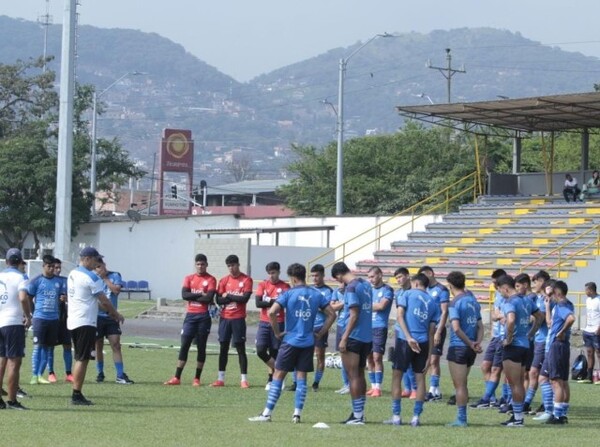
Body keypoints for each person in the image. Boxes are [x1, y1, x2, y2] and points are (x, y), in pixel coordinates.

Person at [248, 263, 336, 423]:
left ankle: (266, 413)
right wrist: (321, 333)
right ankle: (297, 414)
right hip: (308, 342)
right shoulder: (316, 294)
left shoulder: (289, 294)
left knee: (278, 375)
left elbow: (272, 312)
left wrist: (276, 333)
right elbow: (332, 314)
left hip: (290, 341)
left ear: (293, 278)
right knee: (301, 377)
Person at [67, 247, 124, 405]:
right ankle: (76, 394)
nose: (97, 263)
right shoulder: (91, 277)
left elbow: (91, 301)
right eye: (95, 259)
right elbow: (104, 300)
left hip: (73, 320)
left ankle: (77, 392)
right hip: (85, 321)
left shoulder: (72, 274)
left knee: (80, 357)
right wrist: (116, 314)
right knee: (82, 358)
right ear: (87, 259)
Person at [385, 273, 439, 427]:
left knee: (397, 376)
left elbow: (400, 317)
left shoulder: (406, 294)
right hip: (423, 343)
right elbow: (431, 331)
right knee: (420, 379)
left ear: (415, 283)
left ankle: (396, 416)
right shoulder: (433, 303)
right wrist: (429, 355)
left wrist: (408, 337)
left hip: (405, 340)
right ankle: (416, 417)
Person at [495, 275, 542, 427]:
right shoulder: (526, 299)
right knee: (520, 383)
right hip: (525, 345)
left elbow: (510, 319)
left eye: (500, 290)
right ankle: (517, 416)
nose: (500, 293)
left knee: (514, 384)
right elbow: (539, 316)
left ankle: (518, 419)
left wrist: (508, 338)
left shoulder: (510, 301)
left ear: (505, 288)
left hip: (513, 346)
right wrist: (530, 333)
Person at [165, 254, 217, 386]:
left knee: (201, 347)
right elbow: (184, 295)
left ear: (206, 265)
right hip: (190, 317)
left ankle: (197, 379)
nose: (200, 266)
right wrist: (200, 294)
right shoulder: (189, 278)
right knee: (185, 346)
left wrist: (194, 296)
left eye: (203, 264)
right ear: (195, 265)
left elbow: (209, 298)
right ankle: (177, 377)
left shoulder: (211, 279)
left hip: (203, 317)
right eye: (198, 264)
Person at [331, 261, 372, 425]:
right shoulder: (366, 285)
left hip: (354, 336)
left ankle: (357, 416)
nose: (338, 282)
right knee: (360, 374)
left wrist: (344, 337)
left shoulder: (352, 287)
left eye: (337, 279)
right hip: (366, 336)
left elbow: (354, 314)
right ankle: (359, 413)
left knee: (353, 375)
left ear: (339, 275)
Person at [446, 271, 484, 427]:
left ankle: (461, 419)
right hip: (470, 349)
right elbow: (480, 327)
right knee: (463, 383)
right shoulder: (473, 301)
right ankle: (461, 418)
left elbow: (456, 328)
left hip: (459, 347)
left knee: (460, 385)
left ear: (450, 285)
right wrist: (476, 343)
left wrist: (469, 343)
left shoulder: (455, 302)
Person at [212, 254, 253, 388]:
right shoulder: (224, 280)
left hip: (238, 319)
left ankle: (243, 380)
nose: (231, 268)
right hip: (225, 318)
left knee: (240, 349)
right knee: (223, 348)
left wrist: (228, 295)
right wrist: (233, 297)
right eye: (229, 266)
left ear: (238, 264)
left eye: (233, 265)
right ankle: (220, 379)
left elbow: (244, 299)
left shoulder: (246, 280)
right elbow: (218, 299)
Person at [0, 248, 32, 410]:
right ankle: (12, 400)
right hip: (13, 322)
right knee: (14, 362)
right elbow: (22, 297)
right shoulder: (21, 277)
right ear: (20, 262)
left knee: (1, 360)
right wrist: (28, 315)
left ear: (6, 261)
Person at [471, 268, 507, 409]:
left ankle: (495, 399)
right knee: (485, 366)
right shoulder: (498, 295)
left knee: (499, 370)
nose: (493, 286)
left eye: (495, 283)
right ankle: (491, 399)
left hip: (505, 337)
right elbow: (494, 315)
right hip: (495, 337)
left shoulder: (509, 296)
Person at [94, 259, 134, 385]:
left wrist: (105, 278)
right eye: (97, 267)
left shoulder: (115, 275)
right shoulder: (92, 279)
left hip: (111, 318)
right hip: (97, 317)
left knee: (116, 344)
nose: (100, 269)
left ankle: (120, 375)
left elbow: (116, 291)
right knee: (98, 346)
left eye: (101, 266)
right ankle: (100, 372)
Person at [27, 255, 65, 385]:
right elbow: (28, 298)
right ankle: (33, 375)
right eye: (49, 266)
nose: (51, 269)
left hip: (53, 319)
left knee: (48, 348)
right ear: (43, 266)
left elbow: (62, 297)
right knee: (38, 347)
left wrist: (63, 299)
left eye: (53, 267)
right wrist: (33, 313)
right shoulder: (36, 281)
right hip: (40, 318)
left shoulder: (59, 282)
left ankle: (40, 375)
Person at [544, 280, 575, 424]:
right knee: (562, 381)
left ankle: (557, 416)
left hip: (557, 345)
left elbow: (571, 318)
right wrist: (548, 304)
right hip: (563, 345)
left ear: (558, 292)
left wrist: (561, 332)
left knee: (556, 381)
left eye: (553, 293)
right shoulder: (568, 303)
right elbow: (550, 323)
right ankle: (562, 414)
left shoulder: (562, 305)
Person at [254, 262, 290, 390]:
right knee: (260, 350)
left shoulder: (285, 286)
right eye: (269, 273)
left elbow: (284, 303)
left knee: (275, 351)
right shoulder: (263, 284)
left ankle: (272, 379)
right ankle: (280, 373)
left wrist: (268, 300)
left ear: (279, 272)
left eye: (273, 273)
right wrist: (275, 301)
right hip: (264, 321)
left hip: (279, 321)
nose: (271, 276)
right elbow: (258, 303)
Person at [418, 266, 449, 402]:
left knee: (434, 360)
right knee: (424, 360)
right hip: (423, 330)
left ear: (430, 273)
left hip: (436, 329)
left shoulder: (442, 290)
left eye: (424, 275)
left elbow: (444, 312)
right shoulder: (423, 290)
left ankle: (432, 390)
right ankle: (431, 390)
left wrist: (439, 330)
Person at [524, 270, 552, 413]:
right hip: (539, 340)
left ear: (543, 281)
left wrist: (529, 332)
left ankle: (544, 404)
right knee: (535, 372)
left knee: (539, 373)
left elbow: (541, 319)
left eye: (536, 281)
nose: (534, 284)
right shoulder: (538, 298)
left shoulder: (548, 299)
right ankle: (529, 403)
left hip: (546, 341)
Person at [366, 266, 393, 397]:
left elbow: (382, 306)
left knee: (377, 357)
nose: (370, 279)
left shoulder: (387, 290)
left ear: (380, 275)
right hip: (366, 327)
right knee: (369, 357)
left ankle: (378, 387)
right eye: (369, 277)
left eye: (372, 276)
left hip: (379, 326)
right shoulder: (368, 290)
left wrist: (366, 306)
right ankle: (372, 386)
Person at [394, 268, 417, 399]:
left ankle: (415, 389)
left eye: (401, 276)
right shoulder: (398, 293)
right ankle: (407, 388)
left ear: (408, 276)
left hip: (411, 330)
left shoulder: (414, 292)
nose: (399, 280)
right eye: (396, 278)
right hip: (399, 329)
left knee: (412, 361)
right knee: (402, 361)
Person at [309, 264, 332, 392]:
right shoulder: (309, 289)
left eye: (317, 275)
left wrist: (315, 305)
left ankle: (316, 383)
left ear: (323, 275)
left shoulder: (328, 291)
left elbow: (327, 310)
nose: (314, 278)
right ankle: (299, 382)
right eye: (312, 276)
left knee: (319, 355)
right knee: (304, 354)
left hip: (320, 327)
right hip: (308, 326)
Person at [330, 279, 349, 394]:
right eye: (338, 282)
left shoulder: (352, 292)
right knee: (342, 356)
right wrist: (343, 303)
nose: (339, 285)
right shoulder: (336, 291)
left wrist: (339, 304)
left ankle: (351, 384)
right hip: (340, 325)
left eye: (341, 283)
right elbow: (332, 307)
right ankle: (346, 384)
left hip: (349, 327)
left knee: (349, 356)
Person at [579, 282, 600, 384]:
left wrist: (599, 328)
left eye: (586, 290)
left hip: (596, 330)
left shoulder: (599, 300)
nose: (585, 292)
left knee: (598, 352)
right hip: (588, 330)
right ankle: (589, 376)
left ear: (591, 290)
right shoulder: (587, 300)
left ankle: (599, 376)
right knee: (589, 353)